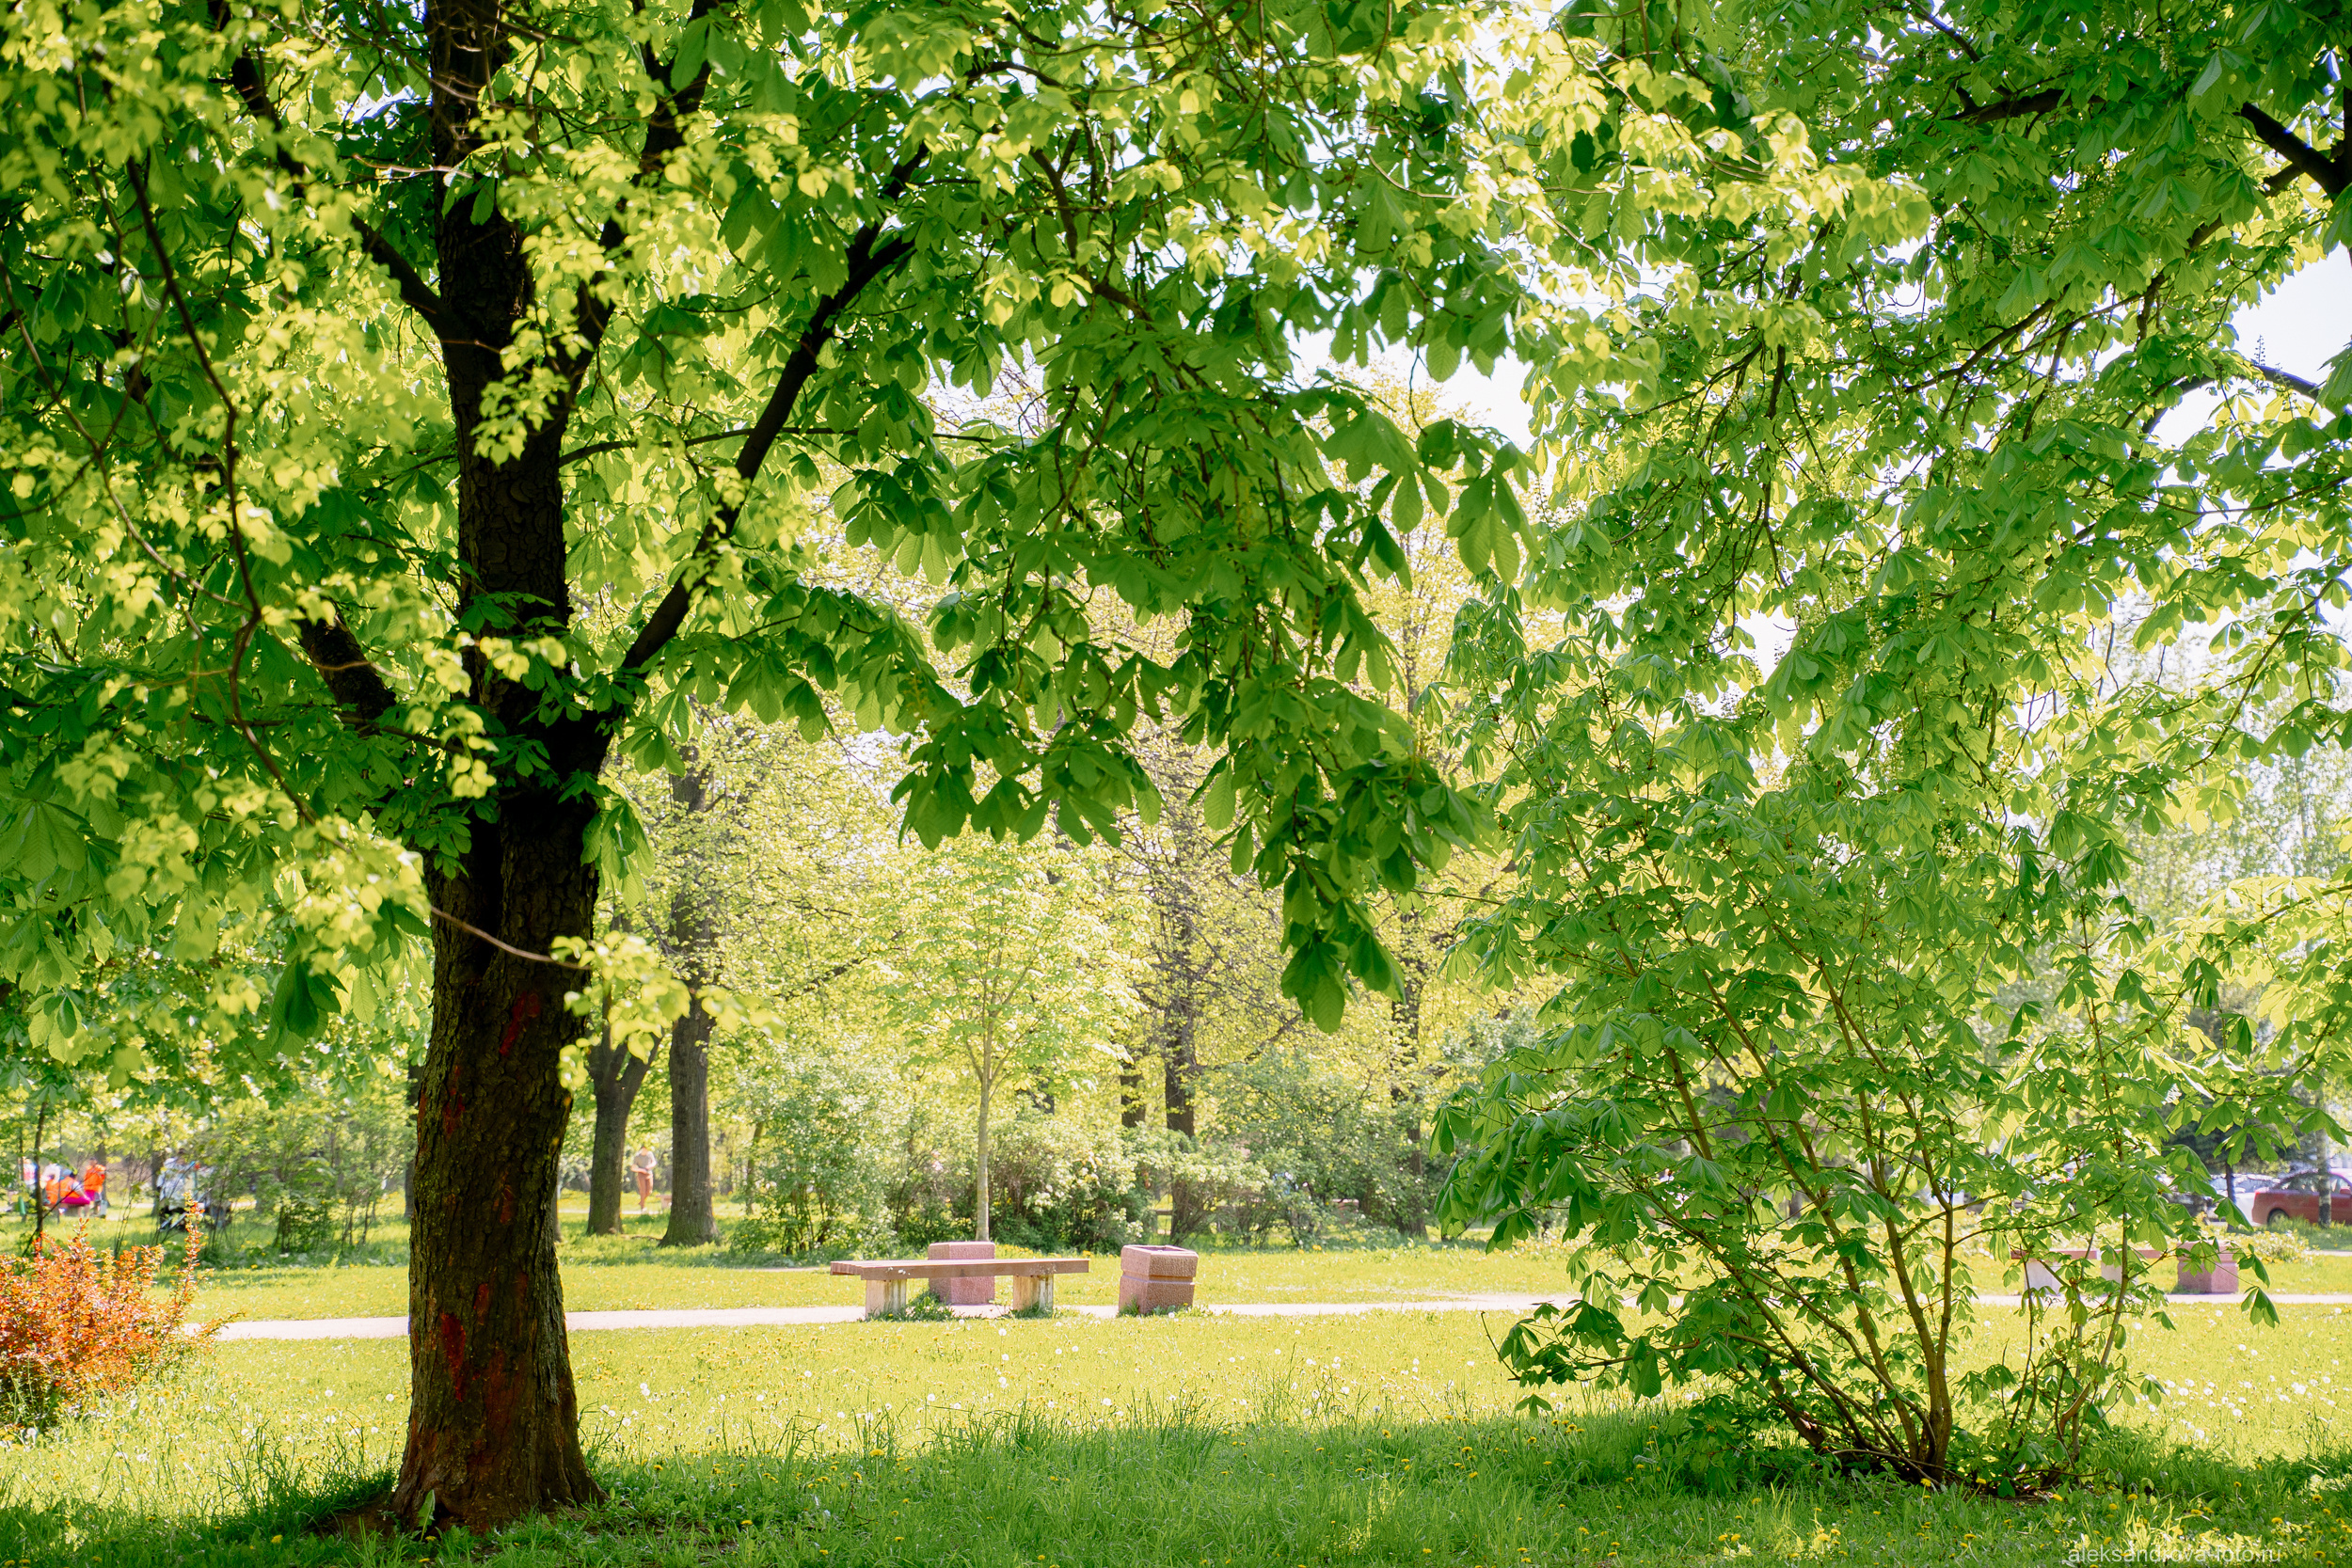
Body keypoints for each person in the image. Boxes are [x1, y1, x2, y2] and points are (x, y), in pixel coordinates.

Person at [631, 1147, 656, 1212]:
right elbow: (633, 1168)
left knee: (649, 1191)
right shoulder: (637, 1156)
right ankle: (643, 1207)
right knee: (643, 1190)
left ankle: (641, 1202)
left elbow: (654, 1162)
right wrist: (641, 1170)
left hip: (649, 1173)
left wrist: (649, 1166)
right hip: (641, 1174)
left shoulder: (650, 1154)